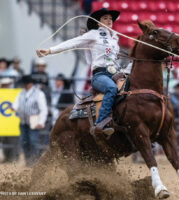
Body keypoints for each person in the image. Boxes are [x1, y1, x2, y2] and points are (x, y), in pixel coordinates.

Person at [36, 8, 120, 136]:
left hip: (115, 73)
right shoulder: (93, 34)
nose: (109, 21)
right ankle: (99, 125)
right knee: (111, 88)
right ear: (98, 22)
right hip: (100, 75)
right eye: (105, 18)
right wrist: (50, 50)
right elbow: (73, 43)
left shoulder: (115, 38)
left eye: (110, 19)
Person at [11, 75, 48, 166]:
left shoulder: (39, 94)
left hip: (34, 120)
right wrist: (14, 107)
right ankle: (28, 161)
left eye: (25, 83)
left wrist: (41, 122)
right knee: (24, 142)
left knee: (33, 141)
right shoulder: (21, 93)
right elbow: (16, 104)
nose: (24, 85)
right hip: (23, 121)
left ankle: (34, 161)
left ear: (30, 84)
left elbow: (43, 109)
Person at [0, 77, 20, 163]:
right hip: (10, 125)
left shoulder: (16, 94)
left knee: (12, 149)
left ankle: (11, 161)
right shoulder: (16, 94)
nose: (6, 86)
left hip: (12, 125)